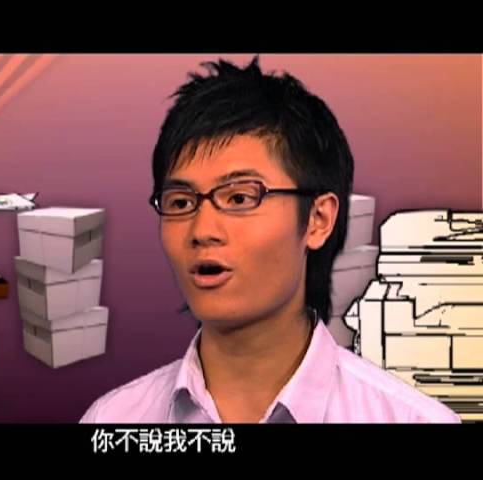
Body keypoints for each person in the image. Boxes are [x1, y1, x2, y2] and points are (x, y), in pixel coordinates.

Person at [80, 56, 460, 423]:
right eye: (181, 202)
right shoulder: (113, 419)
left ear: (318, 219)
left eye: (240, 198)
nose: (202, 230)